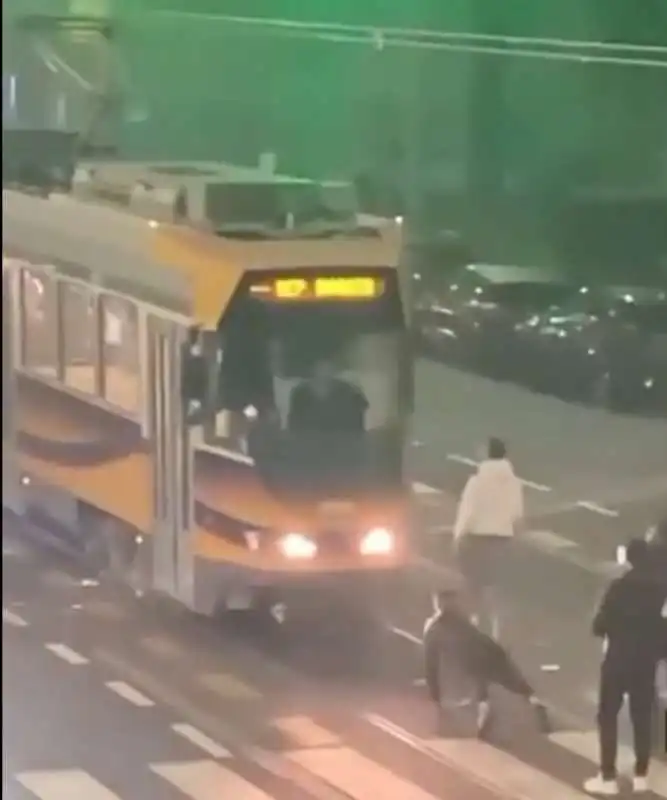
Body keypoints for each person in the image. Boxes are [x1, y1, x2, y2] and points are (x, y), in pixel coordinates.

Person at [584, 538, 667, 796]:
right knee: (642, 717)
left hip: (617, 660)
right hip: (645, 663)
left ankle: (607, 776)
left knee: (607, 715)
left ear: (630, 559)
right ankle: (641, 775)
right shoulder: (661, 591)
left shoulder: (618, 588)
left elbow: (599, 626)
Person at [423, 589, 550, 739]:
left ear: (437, 604)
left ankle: (485, 720)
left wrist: (435, 693)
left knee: (481, 690)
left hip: (472, 659)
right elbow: (480, 636)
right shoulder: (462, 618)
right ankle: (535, 704)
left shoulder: (434, 627)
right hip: (490, 653)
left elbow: (431, 662)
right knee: (515, 684)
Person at [452, 437, 524, 638]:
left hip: (476, 540)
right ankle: (497, 632)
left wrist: (458, 536)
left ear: (487, 453)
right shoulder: (514, 483)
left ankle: (475, 628)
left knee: (473, 586)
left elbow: (468, 512)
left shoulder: (477, 482)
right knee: (496, 588)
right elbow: (517, 514)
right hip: (502, 540)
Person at [287, 359, 368, 434]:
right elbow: (293, 423)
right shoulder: (301, 393)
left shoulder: (348, 390)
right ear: (313, 369)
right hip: (309, 442)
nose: (325, 372)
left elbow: (361, 411)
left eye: (328, 368)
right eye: (321, 367)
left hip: (342, 442)